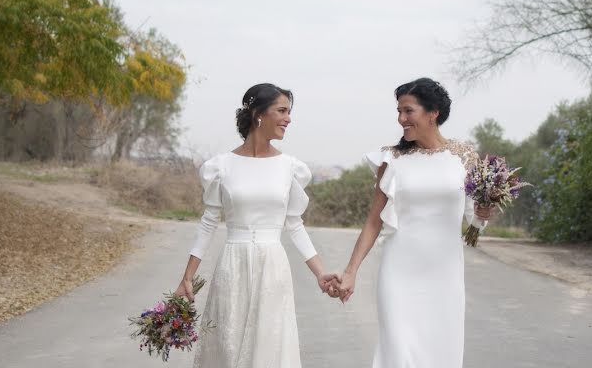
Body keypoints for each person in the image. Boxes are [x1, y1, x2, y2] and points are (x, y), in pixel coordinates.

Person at [330, 77, 496, 368]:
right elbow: (373, 223)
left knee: (440, 353)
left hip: (445, 273)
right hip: (399, 272)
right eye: (399, 111)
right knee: (398, 353)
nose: (401, 119)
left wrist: (482, 216)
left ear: (433, 112)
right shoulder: (391, 159)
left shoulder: (464, 156)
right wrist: (351, 271)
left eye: (408, 111)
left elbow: (473, 219)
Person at [173, 83, 335, 368]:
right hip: (232, 265)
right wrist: (187, 277)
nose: (289, 118)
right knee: (227, 344)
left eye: (289, 112)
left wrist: (320, 273)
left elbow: (294, 225)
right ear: (259, 114)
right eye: (282, 111)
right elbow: (209, 222)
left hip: (272, 266)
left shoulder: (290, 167)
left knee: (269, 350)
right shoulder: (221, 166)